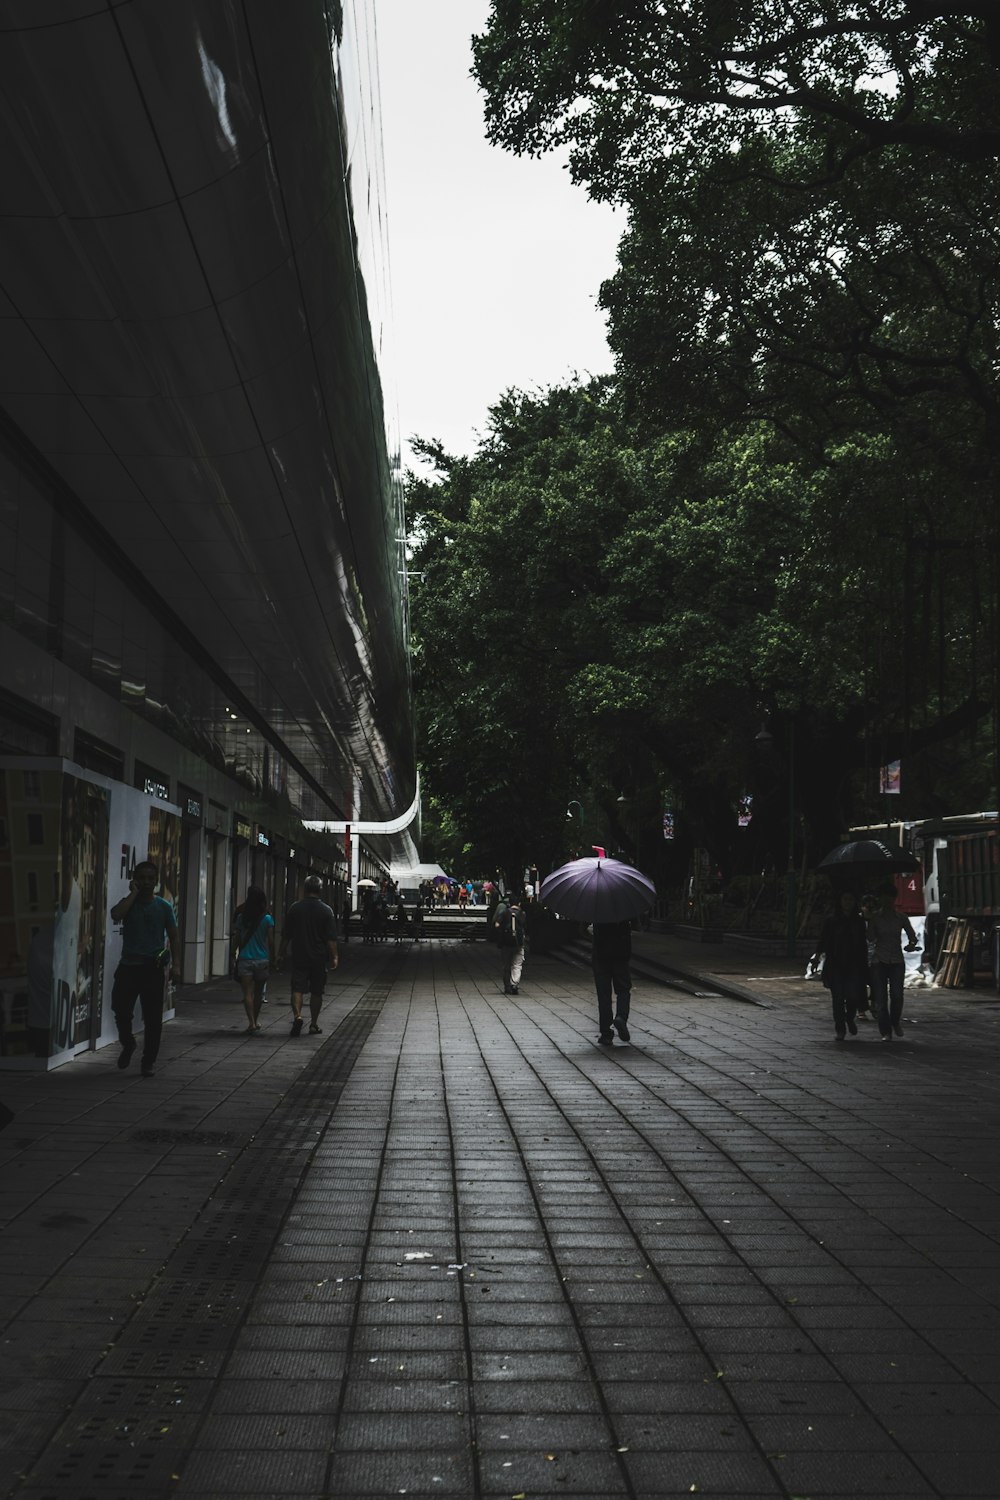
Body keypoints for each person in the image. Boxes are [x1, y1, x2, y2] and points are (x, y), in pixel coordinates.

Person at [109, 860, 179, 1077]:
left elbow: (174, 937)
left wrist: (176, 966)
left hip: (152, 969)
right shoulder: (129, 904)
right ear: (135, 880)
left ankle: (148, 1061)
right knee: (121, 1011)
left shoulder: (164, 907)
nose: (147, 882)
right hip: (128, 967)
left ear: (156, 881)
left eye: (150, 878)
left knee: (153, 1019)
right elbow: (116, 915)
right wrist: (133, 894)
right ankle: (128, 1044)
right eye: (142, 878)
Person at [279, 875, 339, 1036]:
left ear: (304, 889)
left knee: (297, 988)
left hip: (299, 955)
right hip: (319, 958)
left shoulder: (294, 908)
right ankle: (313, 1024)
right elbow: (331, 938)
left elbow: (287, 935)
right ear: (320, 890)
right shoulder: (327, 911)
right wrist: (334, 956)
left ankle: (298, 1016)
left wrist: (281, 952)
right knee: (317, 991)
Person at [868, 886, 919, 1041]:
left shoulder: (901, 917)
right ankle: (885, 1031)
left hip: (897, 960)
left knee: (897, 995)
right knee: (881, 998)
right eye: (884, 897)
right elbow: (870, 938)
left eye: (890, 897)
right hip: (879, 960)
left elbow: (912, 936)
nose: (887, 900)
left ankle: (895, 1021)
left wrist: (911, 945)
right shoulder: (875, 918)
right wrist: (869, 920)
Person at [816, 891, 869, 1040]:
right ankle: (840, 1028)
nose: (848, 903)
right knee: (838, 998)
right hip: (835, 963)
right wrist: (817, 956)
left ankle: (849, 1018)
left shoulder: (858, 921)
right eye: (845, 899)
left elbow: (862, 943)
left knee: (852, 997)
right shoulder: (832, 920)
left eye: (850, 899)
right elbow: (823, 940)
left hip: (854, 964)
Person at [230, 886, 274, 1036]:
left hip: (245, 960)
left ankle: (251, 1023)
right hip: (262, 960)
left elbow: (237, 937)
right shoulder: (267, 918)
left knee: (247, 993)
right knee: (258, 993)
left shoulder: (242, 918)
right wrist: (273, 956)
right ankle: (256, 1020)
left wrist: (232, 952)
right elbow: (271, 940)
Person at [591, 919, 633, 1045]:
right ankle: (621, 1017)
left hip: (601, 955)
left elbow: (583, 930)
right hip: (620, 955)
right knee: (623, 989)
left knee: (604, 995)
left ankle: (606, 1033)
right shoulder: (624, 908)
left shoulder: (597, 909)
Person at [495, 894, 526, 994]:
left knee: (506, 965)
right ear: (519, 904)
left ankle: (507, 986)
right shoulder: (523, 913)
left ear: (509, 903)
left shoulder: (504, 912)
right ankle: (514, 984)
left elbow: (497, 924)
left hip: (506, 943)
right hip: (519, 943)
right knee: (517, 965)